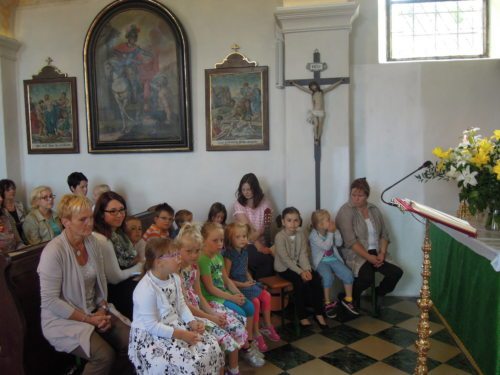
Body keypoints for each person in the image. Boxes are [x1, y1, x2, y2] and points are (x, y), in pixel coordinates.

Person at [38, 194, 132, 375]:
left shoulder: (92, 242)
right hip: (62, 319)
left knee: (132, 339)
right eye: (82, 219)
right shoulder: (53, 252)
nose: (89, 223)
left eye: (90, 217)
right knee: (104, 355)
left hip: (95, 310)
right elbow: (50, 301)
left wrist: (102, 309)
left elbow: (101, 281)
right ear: (66, 222)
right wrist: (89, 319)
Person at [128, 237, 224, 375]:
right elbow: (152, 326)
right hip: (152, 335)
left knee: (212, 345)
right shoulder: (145, 289)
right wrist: (182, 334)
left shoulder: (175, 278)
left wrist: (192, 322)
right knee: (187, 365)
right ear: (159, 262)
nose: (179, 258)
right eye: (174, 255)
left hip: (175, 325)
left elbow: (181, 305)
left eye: (178, 254)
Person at [177, 224, 246, 375]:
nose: (194, 255)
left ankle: (233, 370)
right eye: (189, 251)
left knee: (232, 326)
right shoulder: (178, 272)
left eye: (197, 251)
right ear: (178, 250)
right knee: (221, 341)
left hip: (201, 309)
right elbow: (185, 304)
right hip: (189, 315)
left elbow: (200, 296)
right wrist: (210, 317)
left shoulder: (194, 267)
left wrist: (213, 315)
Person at [198, 222, 264, 368]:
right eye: (215, 240)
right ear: (203, 240)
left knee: (249, 306)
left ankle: (249, 343)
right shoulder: (203, 259)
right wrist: (232, 298)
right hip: (213, 298)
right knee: (240, 312)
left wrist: (238, 294)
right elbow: (210, 289)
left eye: (221, 240)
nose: (220, 244)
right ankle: (244, 347)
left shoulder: (218, 257)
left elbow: (226, 280)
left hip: (225, 294)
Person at [335, 178, 403, 310]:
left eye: (360, 196)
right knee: (367, 278)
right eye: (353, 195)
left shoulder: (374, 209)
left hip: (376, 251)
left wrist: (382, 253)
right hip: (356, 253)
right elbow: (350, 242)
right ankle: (348, 297)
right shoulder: (345, 211)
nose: (356, 198)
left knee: (396, 273)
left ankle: (378, 293)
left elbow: (384, 234)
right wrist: (369, 257)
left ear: (367, 195)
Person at [223, 222, 280, 352]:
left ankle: (267, 325)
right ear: (230, 239)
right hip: (236, 286)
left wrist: (249, 278)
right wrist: (243, 284)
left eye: (244, 236)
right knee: (254, 302)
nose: (243, 239)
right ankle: (255, 332)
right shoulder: (229, 255)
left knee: (267, 296)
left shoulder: (245, 251)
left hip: (245, 282)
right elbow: (226, 278)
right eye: (238, 237)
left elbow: (245, 269)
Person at [274, 207, 327, 328]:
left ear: (299, 221)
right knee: (298, 282)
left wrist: (307, 269)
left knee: (316, 278)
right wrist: (300, 272)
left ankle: (318, 313)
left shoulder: (301, 234)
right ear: (283, 222)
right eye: (289, 220)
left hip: (299, 265)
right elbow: (285, 259)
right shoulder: (279, 237)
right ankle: (302, 315)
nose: (293, 223)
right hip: (284, 267)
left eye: (296, 220)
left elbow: (303, 254)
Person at [93, 191, 143, 319]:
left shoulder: (119, 233)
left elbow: (134, 259)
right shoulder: (102, 239)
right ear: (101, 213)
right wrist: (140, 266)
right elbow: (115, 277)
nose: (119, 215)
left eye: (122, 210)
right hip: (115, 292)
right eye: (113, 211)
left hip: (127, 282)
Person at [309, 209, 358, 318]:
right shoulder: (313, 235)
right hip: (321, 262)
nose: (331, 222)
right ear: (320, 225)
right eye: (328, 220)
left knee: (348, 274)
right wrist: (331, 232)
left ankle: (348, 300)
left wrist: (335, 231)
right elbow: (326, 246)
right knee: (327, 276)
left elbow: (339, 243)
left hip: (333, 259)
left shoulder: (330, 231)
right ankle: (327, 302)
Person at [233, 173, 274, 279]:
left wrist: (260, 234)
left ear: (255, 188)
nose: (246, 192)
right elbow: (247, 230)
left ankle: (259, 287)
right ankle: (257, 287)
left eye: (249, 189)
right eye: (243, 189)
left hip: (262, 241)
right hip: (245, 243)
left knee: (271, 260)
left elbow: (267, 226)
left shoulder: (265, 203)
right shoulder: (238, 204)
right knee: (264, 260)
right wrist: (258, 245)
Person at [291, 79, 345, 144]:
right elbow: (303, 89)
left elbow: (331, 87)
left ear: (316, 85)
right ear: (311, 88)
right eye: (311, 87)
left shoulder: (322, 92)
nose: (313, 87)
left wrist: (340, 81)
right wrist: (294, 84)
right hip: (315, 111)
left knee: (320, 126)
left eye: (314, 86)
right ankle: (316, 138)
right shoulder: (312, 93)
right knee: (316, 124)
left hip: (321, 112)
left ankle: (318, 138)